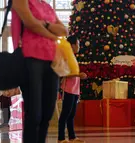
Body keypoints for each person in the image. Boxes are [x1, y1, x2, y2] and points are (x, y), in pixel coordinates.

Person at [11, 0, 68, 142]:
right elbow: (30, 23)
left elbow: (64, 30)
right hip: (30, 58)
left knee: (47, 113)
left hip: (52, 60)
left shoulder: (46, 5)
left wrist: (45, 24)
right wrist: (53, 35)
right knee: (34, 113)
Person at [58, 35, 87, 143]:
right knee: (65, 114)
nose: (79, 46)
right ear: (72, 45)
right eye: (78, 44)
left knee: (72, 115)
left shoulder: (73, 57)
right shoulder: (66, 57)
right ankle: (60, 138)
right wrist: (79, 75)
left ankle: (72, 137)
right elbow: (64, 73)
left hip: (75, 90)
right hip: (68, 89)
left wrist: (79, 76)